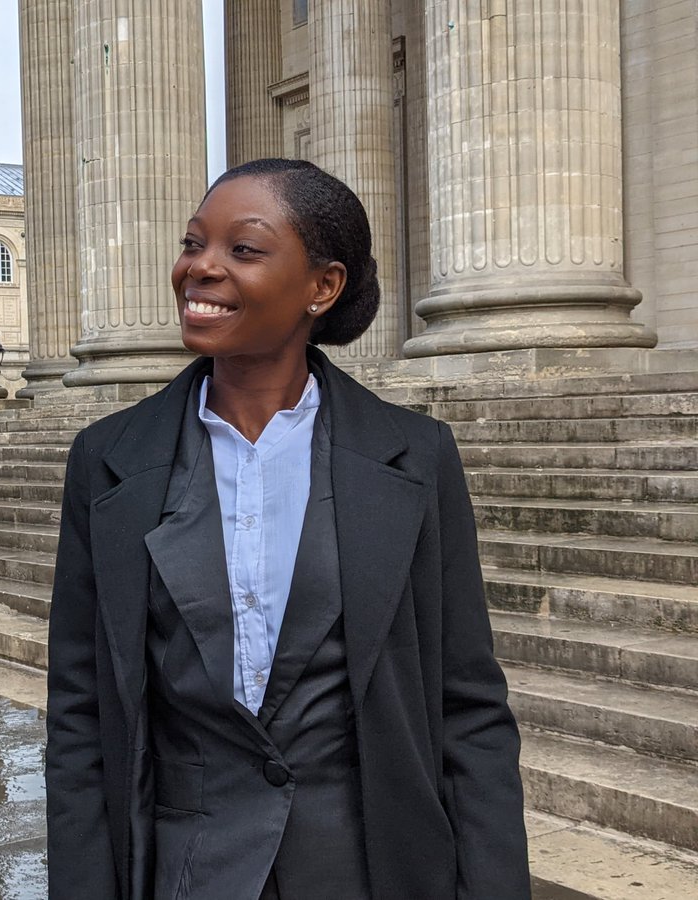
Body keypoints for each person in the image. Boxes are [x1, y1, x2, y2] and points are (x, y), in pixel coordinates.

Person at [45, 158, 530, 900]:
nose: (199, 269)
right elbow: (80, 718)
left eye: (243, 249)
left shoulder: (416, 457)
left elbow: (468, 707)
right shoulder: (109, 462)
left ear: (322, 287)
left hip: (369, 868)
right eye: (193, 244)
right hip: (184, 870)